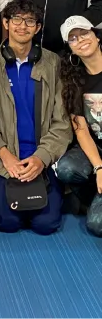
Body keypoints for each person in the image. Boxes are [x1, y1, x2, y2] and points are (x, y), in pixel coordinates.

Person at [0, 0, 72, 235]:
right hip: (2, 160)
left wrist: (41, 158)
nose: (22, 26)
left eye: (30, 21)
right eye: (16, 19)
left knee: (46, 224)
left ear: (37, 28)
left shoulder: (53, 63)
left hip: (42, 158)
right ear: (6, 23)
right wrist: (4, 154)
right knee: (8, 222)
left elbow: (62, 122)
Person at [56, 16, 102, 236]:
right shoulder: (74, 81)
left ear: (96, 35)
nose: (81, 40)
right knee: (66, 169)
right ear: (70, 49)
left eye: (84, 33)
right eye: (73, 38)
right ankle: (94, 195)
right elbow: (81, 130)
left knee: (96, 225)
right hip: (95, 147)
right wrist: (99, 168)